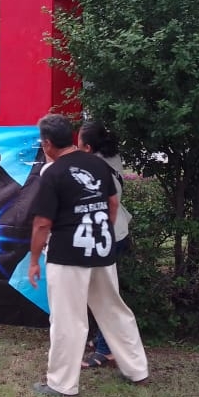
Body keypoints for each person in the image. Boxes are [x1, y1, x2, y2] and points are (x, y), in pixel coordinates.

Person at [27, 113, 149, 397]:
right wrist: (102, 230)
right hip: (101, 248)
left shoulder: (52, 173)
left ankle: (61, 383)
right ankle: (137, 370)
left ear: (46, 144)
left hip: (68, 254)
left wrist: (34, 260)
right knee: (114, 310)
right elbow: (112, 203)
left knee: (68, 319)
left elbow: (42, 223)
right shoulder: (97, 164)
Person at [77, 120, 133, 370]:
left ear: (87, 147)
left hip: (107, 236)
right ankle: (102, 340)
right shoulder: (110, 157)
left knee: (104, 295)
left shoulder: (95, 167)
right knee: (100, 292)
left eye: (78, 141)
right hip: (115, 232)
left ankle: (107, 350)